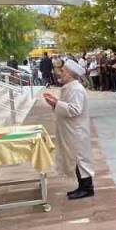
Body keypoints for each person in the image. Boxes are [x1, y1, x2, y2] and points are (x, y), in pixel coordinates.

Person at [43, 60, 95, 199]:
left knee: (80, 158)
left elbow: (75, 110)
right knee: (74, 158)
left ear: (71, 75)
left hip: (76, 130)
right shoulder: (69, 87)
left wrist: (56, 103)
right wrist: (56, 103)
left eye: (63, 71)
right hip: (70, 129)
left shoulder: (76, 89)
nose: (60, 73)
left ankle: (87, 187)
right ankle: (81, 185)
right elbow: (66, 106)